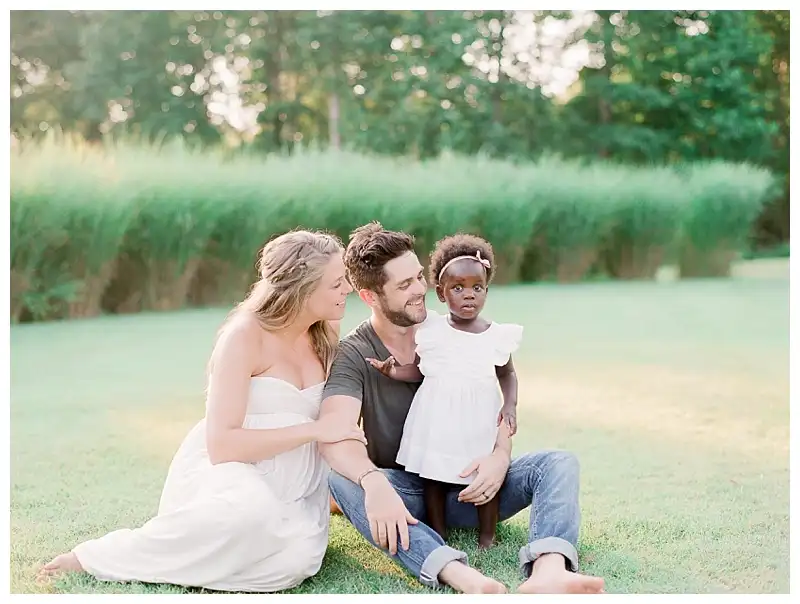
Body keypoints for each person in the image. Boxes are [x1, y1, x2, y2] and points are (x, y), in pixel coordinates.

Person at [38, 230, 364, 593]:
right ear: (302, 291)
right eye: (336, 283)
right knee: (253, 514)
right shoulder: (243, 336)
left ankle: (222, 553)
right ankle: (95, 557)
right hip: (233, 473)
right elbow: (222, 446)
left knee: (295, 564)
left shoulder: (325, 331)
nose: (346, 289)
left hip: (297, 486)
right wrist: (313, 430)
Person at [318, 222, 606, 594]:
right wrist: (373, 483)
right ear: (370, 296)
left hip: (479, 482)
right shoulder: (355, 354)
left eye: (419, 276)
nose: (420, 289)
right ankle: (456, 573)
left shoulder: (454, 327)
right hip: (412, 498)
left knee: (559, 463)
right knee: (340, 479)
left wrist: (500, 456)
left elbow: (498, 394)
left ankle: (549, 568)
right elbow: (335, 436)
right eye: (404, 285)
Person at [365, 234, 522, 550]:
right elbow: (420, 369)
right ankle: (439, 531)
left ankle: (487, 535)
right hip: (437, 416)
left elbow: (507, 373)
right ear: (441, 292)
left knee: (482, 474)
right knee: (433, 477)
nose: (469, 296)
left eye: (477, 288)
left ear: (486, 292)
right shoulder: (433, 331)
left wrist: (510, 405)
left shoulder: (495, 335)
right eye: (458, 288)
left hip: (478, 416)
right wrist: (394, 371)